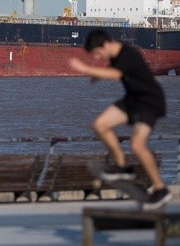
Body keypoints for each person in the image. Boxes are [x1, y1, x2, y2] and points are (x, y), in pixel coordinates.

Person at [68, 28, 172, 209]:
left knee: (137, 145)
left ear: (106, 45)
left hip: (150, 102)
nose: (97, 58)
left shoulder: (128, 53)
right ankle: (122, 167)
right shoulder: (117, 56)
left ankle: (160, 188)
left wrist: (85, 68)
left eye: (97, 53)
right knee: (100, 125)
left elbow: (117, 74)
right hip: (133, 100)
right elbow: (116, 68)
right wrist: (97, 76)